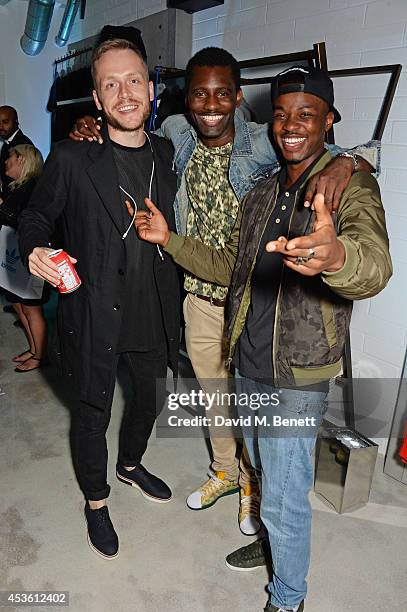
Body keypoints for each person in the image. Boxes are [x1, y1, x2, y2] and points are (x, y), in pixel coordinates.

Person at [71, 47, 380, 536]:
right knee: (216, 399)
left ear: (238, 98)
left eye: (221, 94)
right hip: (197, 294)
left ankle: (255, 488)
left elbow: (330, 145)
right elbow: (126, 134)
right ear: (184, 100)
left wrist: (352, 160)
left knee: (254, 408)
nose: (210, 105)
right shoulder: (175, 134)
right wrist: (89, 128)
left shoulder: (264, 140)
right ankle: (226, 471)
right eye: (199, 95)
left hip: (251, 300)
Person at [131, 65, 392, 611]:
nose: (291, 126)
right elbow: (231, 267)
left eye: (306, 114)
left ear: (329, 120)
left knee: (283, 494)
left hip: (296, 371)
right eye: (281, 114)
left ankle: (289, 595)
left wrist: (337, 256)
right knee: (261, 467)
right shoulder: (264, 190)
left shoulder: (348, 186)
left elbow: (373, 266)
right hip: (248, 356)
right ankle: (276, 547)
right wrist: (169, 239)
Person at [18, 38, 181, 560]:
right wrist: (35, 249)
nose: (124, 93)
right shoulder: (71, 156)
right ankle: (96, 500)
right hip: (94, 315)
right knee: (92, 414)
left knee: (149, 402)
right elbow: (36, 216)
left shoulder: (166, 151)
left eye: (133, 80)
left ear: (151, 88)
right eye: (110, 84)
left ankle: (130, 465)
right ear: (96, 98)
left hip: (155, 310)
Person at [0, 144, 48, 372]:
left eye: (10, 157)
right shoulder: (15, 187)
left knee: (31, 309)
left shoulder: (34, 188)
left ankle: (39, 356)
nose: (5, 162)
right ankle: (33, 349)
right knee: (19, 306)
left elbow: (26, 222)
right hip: (14, 259)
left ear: (22, 160)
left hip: (32, 258)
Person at [0, 106, 34, 197]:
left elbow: (23, 183)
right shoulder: (8, 143)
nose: (0, 126)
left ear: (16, 122)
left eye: (5, 122)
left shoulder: (23, 145)